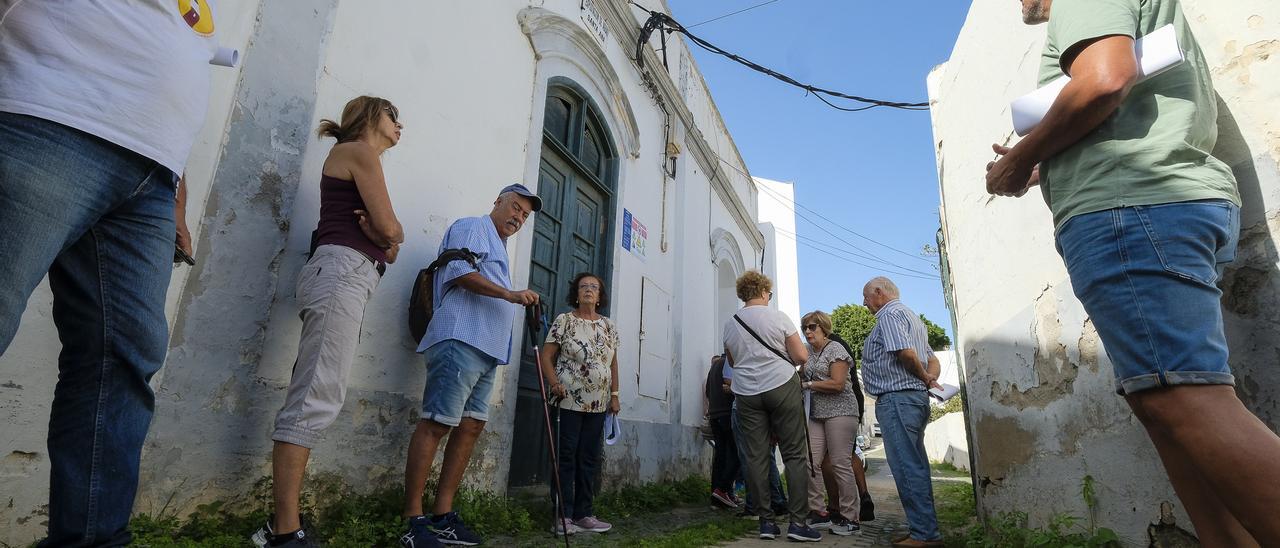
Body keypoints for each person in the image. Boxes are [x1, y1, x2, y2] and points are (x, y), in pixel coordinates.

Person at [990, 0, 1280, 544]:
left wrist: (1016, 158)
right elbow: (1119, 97)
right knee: (1167, 403)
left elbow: (1104, 79)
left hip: (1132, 207)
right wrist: (1041, 159)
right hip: (1151, 204)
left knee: (1182, 399)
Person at [0, 2, 219, 545]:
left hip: (150, 172)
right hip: (47, 115)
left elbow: (170, 68)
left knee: (122, 360)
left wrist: (174, 189)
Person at [254, 96, 405, 547]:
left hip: (347, 275)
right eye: (393, 116)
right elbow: (393, 232)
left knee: (321, 391)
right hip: (343, 272)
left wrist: (385, 237)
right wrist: (384, 234)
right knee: (316, 396)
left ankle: (282, 526)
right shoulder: (359, 152)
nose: (400, 125)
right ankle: (284, 531)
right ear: (371, 116)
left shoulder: (357, 157)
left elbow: (391, 245)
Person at [400, 184, 542, 547]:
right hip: (460, 340)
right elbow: (460, 272)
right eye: (514, 208)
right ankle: (411, 521)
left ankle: (442, 516)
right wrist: (510, 293)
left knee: (470, 427)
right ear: (498, 201)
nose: (518, 217)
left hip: (487, 349)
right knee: (436, 423)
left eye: (524, 215)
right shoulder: (472, 227)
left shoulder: (500, 247)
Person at [721, 271, 821, 542]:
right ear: (765, 292)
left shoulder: (730, 323)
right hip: (780, 384)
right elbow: (801, 356)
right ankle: (798, 523)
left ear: (743, 293)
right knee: (794, 454)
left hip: (746, 392)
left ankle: (766, 522)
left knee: (755, 457)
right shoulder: (778, 317)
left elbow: (732, 358)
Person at [860, 277, 942, 548]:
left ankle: (924, 535)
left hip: (898, 400)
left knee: (907, 467)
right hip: (912, 399)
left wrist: (925, 379)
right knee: (916, 466)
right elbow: (933, 358)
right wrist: (928, 377)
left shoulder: (889, 315)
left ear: (879, 294)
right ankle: (925, 530)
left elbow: (906, 354)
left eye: (866, 297)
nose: (864, 303)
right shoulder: (912, 317)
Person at [540, 272, 620, 536]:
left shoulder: (608, 325)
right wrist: (554, 384)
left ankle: (584, 514)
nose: (588, 290)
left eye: (594, 287)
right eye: (583, 286)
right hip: (567, 400)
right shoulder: (564, 321)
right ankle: (563, 516)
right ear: (576, 293)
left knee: (589, 458)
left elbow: (613, 362)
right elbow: (547, 356)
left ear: (600, 296)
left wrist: (615, 395)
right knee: (566, 457)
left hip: (597, 403)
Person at [798, 311, 860, 536]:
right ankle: (818, 511)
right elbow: (801, 375)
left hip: (841, 411)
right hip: (816, 413)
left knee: (839, 463)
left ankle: (850, 517)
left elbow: (838, 384)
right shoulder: (807, 353)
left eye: (812, 327)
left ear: (824, 328)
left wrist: (808, 385)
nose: (807, 332)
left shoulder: (836, 349)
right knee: (810, 459)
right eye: (805, 327)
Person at [727, 361, 789, 519]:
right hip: (767, 406)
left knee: (750, 459)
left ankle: (754, 505)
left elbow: (731, 375)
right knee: (767, 457)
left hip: (745, 406)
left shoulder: (738, 344)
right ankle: (777, 502)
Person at [827, 331, 874, 522]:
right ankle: (864, 495)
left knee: (831, 458)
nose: (808, 332)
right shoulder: (841, 342)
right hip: (855, 400)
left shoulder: (832, 345)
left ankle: (837, 506)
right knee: (850, 451)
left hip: (839, 404)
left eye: (812, 327)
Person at [705, 354, 740, 509]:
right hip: (727, 413)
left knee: (720, 455)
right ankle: (723, 489)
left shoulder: (715, 365)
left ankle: (717, 494)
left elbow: (707, 391)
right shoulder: (730, 364)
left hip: (714, 414)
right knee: (735, 454)